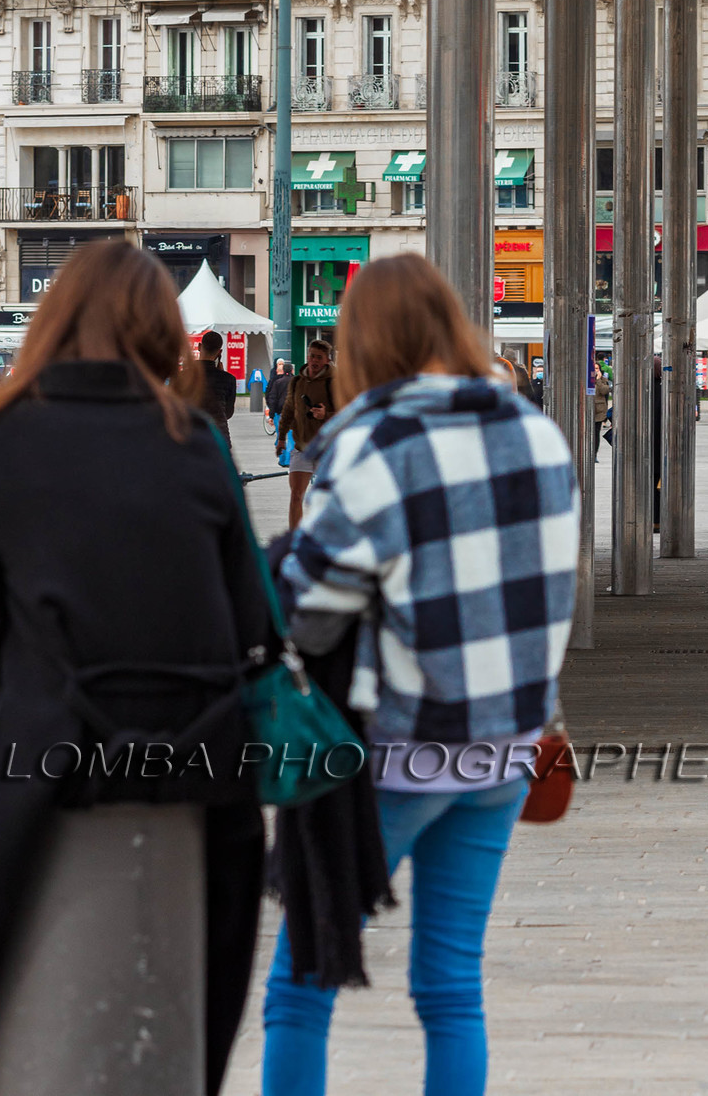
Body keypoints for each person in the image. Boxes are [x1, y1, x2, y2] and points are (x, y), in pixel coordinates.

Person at [0, 239, 269, 1096]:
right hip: (200, 756)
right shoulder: (193, 440)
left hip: (51, 746)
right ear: (157, 330)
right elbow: (248, 622)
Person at [266, 255, 580, 1096]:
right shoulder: (536, 432)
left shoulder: (371, 442)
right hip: (508, 747)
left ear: (367, 343)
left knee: (301, 982)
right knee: (450, 985)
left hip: (401, 746)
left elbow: (305, 609)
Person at [277, 339, 336, 528]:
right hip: (302, 446)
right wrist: (281, 438)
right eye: (311, 356)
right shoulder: (297, 382)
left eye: (319, 357)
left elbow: (348, 411)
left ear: (327, 360)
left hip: (327, 449)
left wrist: (325, 414)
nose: (314, 360)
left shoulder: (335, 382)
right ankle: (294, 540)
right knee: (296, 496)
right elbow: (288, 410)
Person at [197, 330, 238, 438]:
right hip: (219, 436)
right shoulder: (229, 379)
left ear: (199, 347)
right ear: (219, 352)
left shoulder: (183, 376)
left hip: (192, 436)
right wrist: (222, 374)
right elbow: (228, 413)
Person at [266, 357, 294, 435]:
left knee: (280, 432)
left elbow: (271, 397)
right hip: (291, 409)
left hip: (279, 409)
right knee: (290, 432)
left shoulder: (276, 381)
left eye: (282, 364)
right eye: (279, 364)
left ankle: (280, 444)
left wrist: (271, 414)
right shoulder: (295, 380)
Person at [592, 366, 611, 459]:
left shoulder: (603, 380)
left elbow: (604, 391)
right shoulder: (586, 379)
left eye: (597, 368)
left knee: (596, 433)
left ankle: (594, 453)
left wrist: (598, 380)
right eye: (593, 368)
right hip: (588, 410)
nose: (595, 370)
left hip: (598, 411)